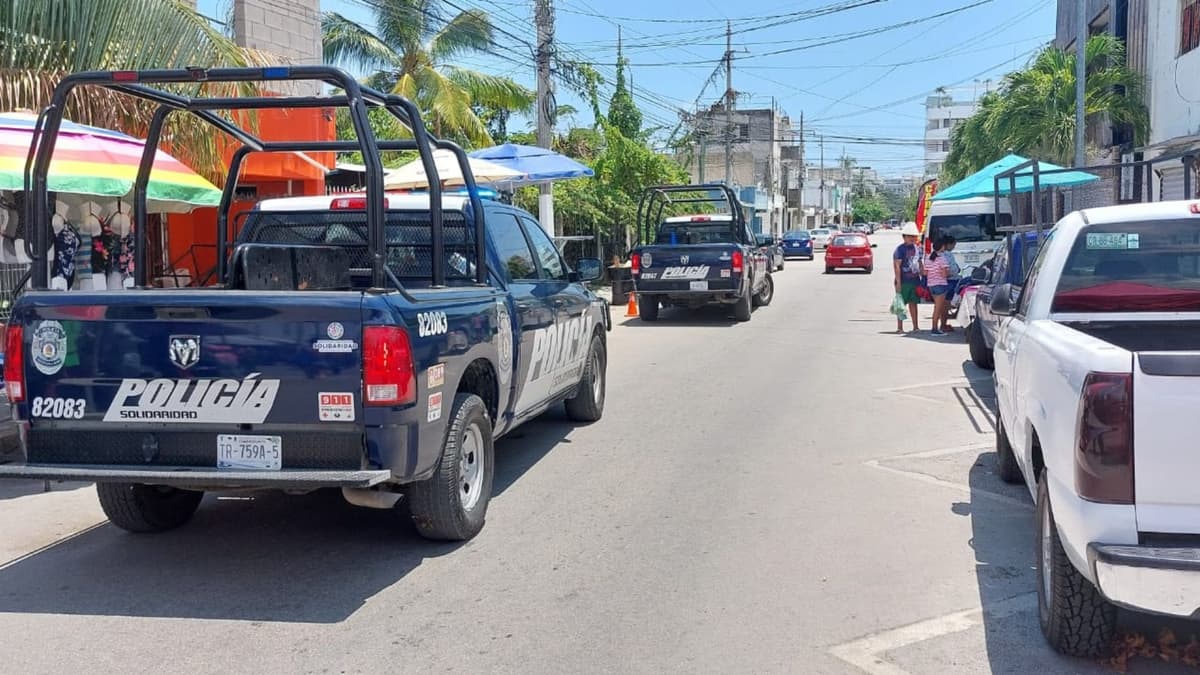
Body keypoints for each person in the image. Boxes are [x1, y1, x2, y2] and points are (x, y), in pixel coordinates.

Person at [892, 222, 923, 333]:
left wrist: (923, 276)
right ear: (904, 237)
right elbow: (897, 266)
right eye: (910, 236)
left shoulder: (918, 249)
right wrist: (898, 282)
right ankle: (900, 327)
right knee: (901, 304)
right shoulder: (900, 250)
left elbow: (920, 263)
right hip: (904, 281)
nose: (912, 238)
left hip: (915, 280)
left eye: (914, 236)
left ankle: (915, 326)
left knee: (913, 303)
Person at [925, 236, 953, 336]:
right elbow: (945, 274)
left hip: (931, 285)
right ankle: (934, 329)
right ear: (942, 247)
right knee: (938, 308)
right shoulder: (942, 258)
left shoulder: (928, 257)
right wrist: (949, 273)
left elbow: (925, 272)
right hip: (941, 284)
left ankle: (935, 328)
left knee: (937, 307)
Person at [939, 236, 959, 333]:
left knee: (942, 305)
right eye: (953, 245)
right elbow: (952, 269)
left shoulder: (938, 255)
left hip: (941, 282)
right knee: (945, 305)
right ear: (948, 245)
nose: (954, 247)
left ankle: (943, 324)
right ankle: (943, 325)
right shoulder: (948, 255)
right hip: (950, 281)